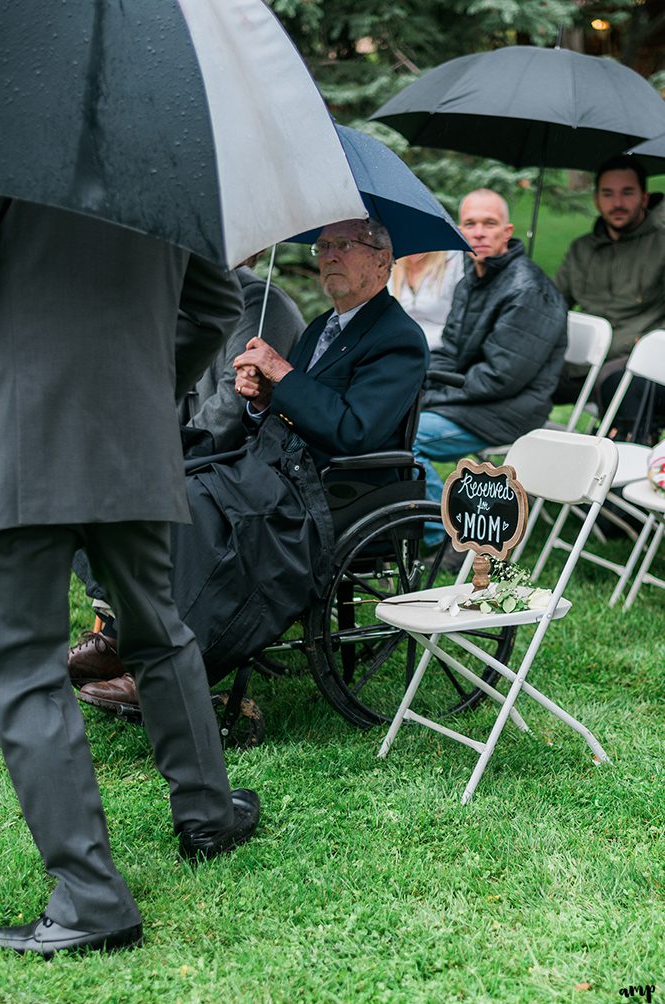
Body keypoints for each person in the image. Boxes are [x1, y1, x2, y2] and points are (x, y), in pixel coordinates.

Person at [0, 199, 258, 960]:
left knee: (26, 670)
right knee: (159, 628)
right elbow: (216, 303)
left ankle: (91, 897)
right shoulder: (161, 168)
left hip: (30, 439)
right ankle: (208, 813)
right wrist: (140, 386)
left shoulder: (14, 161)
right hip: (134, 441)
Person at [73, 217, 429, 693]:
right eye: (322, 247)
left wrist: (282, 373)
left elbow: (356, 431)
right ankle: (124, 631)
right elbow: (292, 409)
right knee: (145, 484)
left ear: (383, 260)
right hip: (273, 465)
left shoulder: (397, 337)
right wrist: (261, 400)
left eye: (345, 245)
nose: (329, 256)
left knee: (190, 507)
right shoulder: (326, 325)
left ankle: (166, 669)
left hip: (331, 486)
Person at [413, 189, 566, 520]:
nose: (479, 232)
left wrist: (435, 396)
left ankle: (446, 533)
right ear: (460, 231)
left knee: (405, 438)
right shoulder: (471, 279)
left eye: (489, 223)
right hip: (472, 402)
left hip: (509, 410)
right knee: (393, 422)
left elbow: (501, 377)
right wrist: (430, 386)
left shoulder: (527, 290)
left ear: (506, 232)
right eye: (470, 223)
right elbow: (448, 349)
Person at [555, 154, 665, 434]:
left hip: (634, 363)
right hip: (581, 365)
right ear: (596, 199)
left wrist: (650, 345)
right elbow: (554, 305)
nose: (617, 203)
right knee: (524, 375)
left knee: (617, 382)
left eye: (627, 193)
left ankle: (621, 464)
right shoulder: (583, 250)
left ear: (644, 197)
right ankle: (518, 461)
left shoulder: (661, 243)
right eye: (608, 193)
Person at [180, 255, 305, 453]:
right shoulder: (193, 302)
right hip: (195, 453)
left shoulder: (262, 303)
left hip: (238, 462)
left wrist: (173, 448)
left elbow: (232, 407)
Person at [390, 249, 464, 351]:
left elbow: (461, 320)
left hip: (439, 351)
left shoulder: (454, 260)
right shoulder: (390, 262)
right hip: (395, 349)